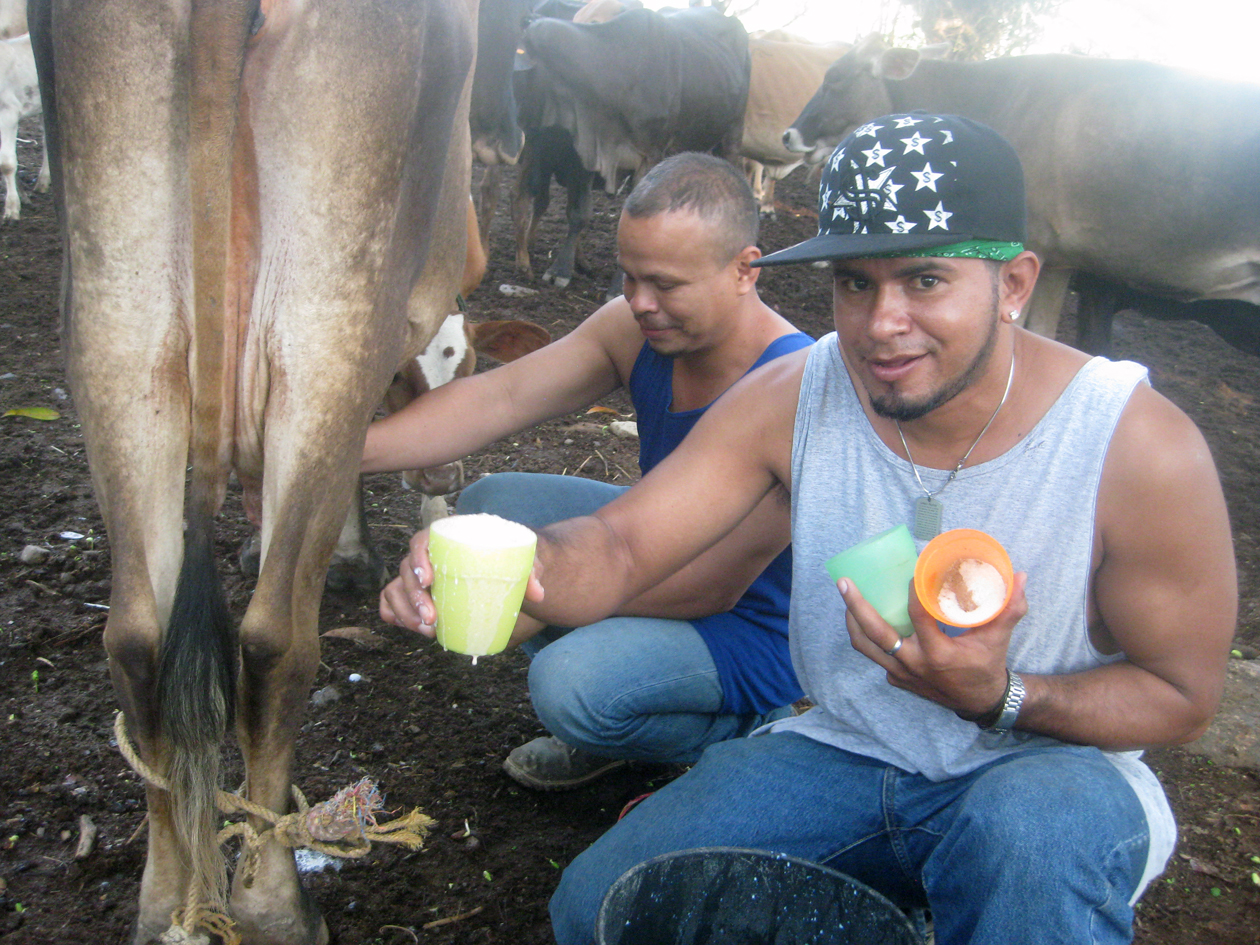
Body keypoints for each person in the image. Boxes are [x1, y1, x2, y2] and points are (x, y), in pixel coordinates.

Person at [381, 113, 1237, 944]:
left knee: (1029, 842)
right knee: (599, 907)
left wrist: (1002, 696)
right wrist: (495, 562)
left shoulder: (1133, 444)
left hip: (1046, 772)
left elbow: (1182, 696)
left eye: (924, 281)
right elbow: (621, 545)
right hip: (849, 751)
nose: (880, 323)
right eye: (856, 282)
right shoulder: (805, 392)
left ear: (1012, 283)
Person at [368, 152, 812, 791]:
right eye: (629, 278)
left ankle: (743, 731)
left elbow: (713, 585)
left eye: (666, 284)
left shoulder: (791, 384)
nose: (640, 302)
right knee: (491, 506)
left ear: (745, 269)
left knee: (572, 687)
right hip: (657, 547)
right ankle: (634, 692)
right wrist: (342, 452)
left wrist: (532, 602)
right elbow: (501, 397)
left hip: (752, 625)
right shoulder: (634, 331)